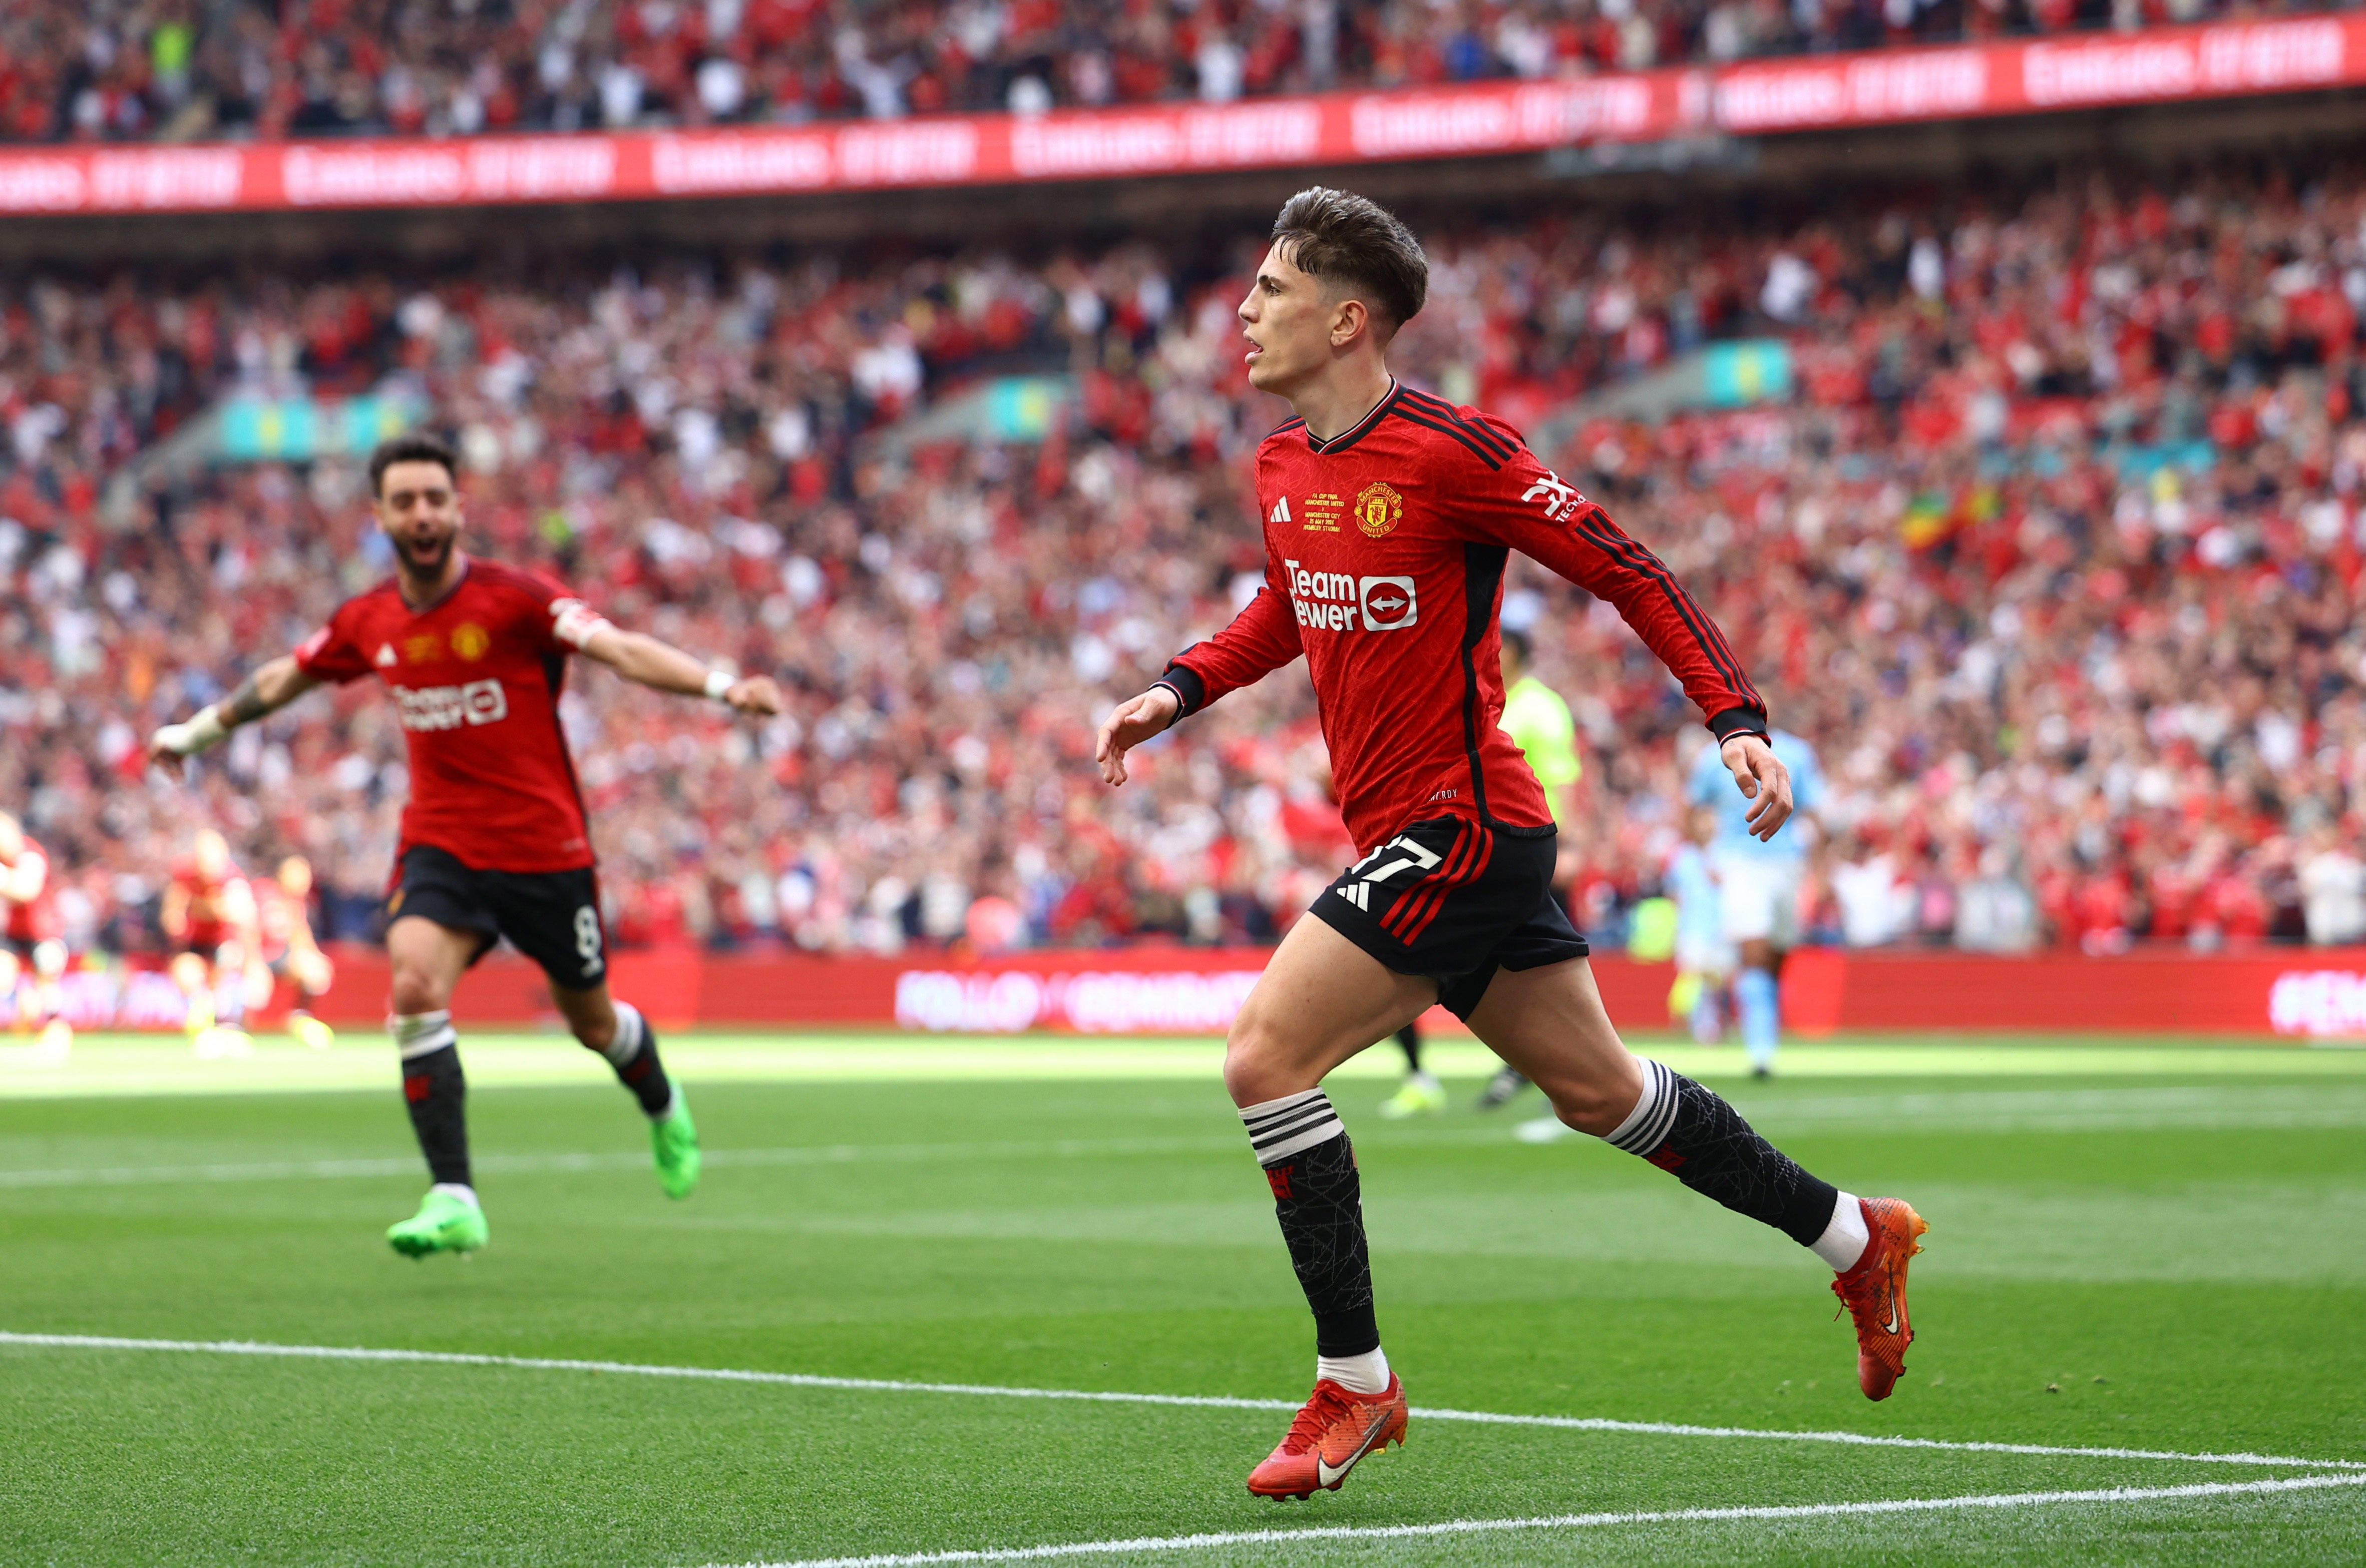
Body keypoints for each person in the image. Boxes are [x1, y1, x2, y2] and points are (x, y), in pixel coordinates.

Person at [1094, 188, 1924, 1502]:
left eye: (1269, 289)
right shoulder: (1280, 465)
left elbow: (1624, 566)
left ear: (1345, 316)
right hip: (1432, 836)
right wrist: (1182, 686)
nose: (1243, 311)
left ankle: (1355, 1385)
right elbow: (1284, 602)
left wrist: (1732, 717)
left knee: (1262, 1058)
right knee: (1603, 1095)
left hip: (1464, 831)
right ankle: (1853, 1233)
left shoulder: (1454, 452)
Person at [148, 433, 783, 1259]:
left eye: (436, 499)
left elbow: (619, 648)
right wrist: (195, 733)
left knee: (592, 1022)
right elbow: (287, 675)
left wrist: (721, 686)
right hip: (442, 843)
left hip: (544, 849)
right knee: (413, 982)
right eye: (406, 500)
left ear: (457, 508)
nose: (423, 514)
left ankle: (662, 1103)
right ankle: (454, 1194)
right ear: (378, 514)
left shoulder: (517, 600)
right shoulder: (369, 618)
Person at [1473, 626, 1582, 1113]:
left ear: (1511, 651)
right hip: (1497, 848)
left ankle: (1566, 1068)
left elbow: (1565, 778)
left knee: (1548, 961)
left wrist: (1569, 844)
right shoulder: (1490, 698)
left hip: (1539, 846)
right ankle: (1532, 1064)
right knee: (1513, 958)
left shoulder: (1539, 707)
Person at [1686, 725, 1826, 1077]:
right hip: (1739, 861)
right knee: (1754, 949)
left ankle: (1764, 1029)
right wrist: (1706, 856)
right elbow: (1693, 808)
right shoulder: (1713, 755)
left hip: (1787, 862)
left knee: (1777, 952)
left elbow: (1814, 813)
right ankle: (1760, 1053)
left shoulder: (1796, 752)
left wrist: (1820, 872)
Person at [162, 828, 264, 1057]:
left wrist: (255, 963)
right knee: (186, 975)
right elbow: (172, 916)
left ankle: (225, 1024)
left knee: (228, 959)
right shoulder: (184, 876)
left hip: (223, 943)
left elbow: (245, 920)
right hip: (194, 943)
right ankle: (204, 1020)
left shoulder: (234, 881)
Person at [0, 811, 73, 1058]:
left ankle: (55, 1027)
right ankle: (23, 1005)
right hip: (12, 933)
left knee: (47, 967)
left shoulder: (31, 854)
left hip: (44, 932)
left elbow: (26, 890)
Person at [259, 855, 337, 1050]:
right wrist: (253, 965)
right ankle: (230, 1024)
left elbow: (300, 933)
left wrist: (315, 956)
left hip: (279, 955)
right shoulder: (262, 892)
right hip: (254, 954)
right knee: (253, 991)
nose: (306, 881)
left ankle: (299, 1018)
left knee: (316, 972)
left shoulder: (297, 902)